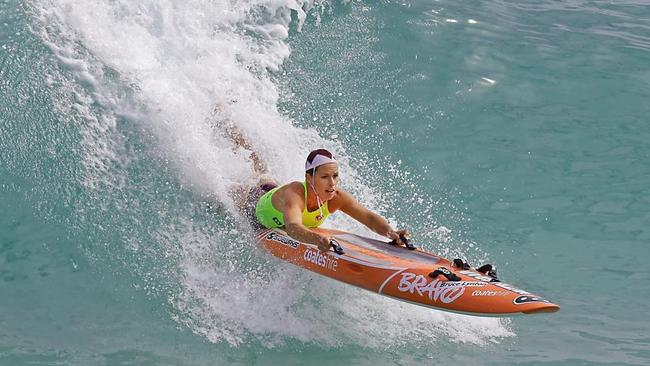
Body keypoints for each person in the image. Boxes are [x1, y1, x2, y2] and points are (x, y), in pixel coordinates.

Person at [243, 148, 409, 252]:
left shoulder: (337, 198)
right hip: (253, 203)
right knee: (230, 194)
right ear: (309, 178)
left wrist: (390, 232)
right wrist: (316, 239)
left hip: (278, 204)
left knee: (260, 173)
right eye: (324, 177)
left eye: (335, 176)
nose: (332, 183)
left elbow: (369, 218)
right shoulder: (296, 194)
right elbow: (293, 228)